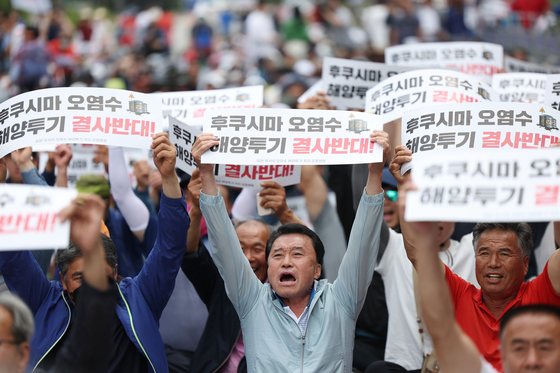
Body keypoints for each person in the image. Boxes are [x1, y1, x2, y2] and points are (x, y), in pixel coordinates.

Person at [191, 130, 390, 372]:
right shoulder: (252, 301)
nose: (286, 261)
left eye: (297, 253)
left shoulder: (341, 301)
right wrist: (206, 174)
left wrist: (375, 174)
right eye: (277, 255)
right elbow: (224, 244)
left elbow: (363, 244)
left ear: (317, 269)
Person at [0, 133, 189, 373]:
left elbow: (170, 247)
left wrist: (169, 177)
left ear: (116, 272)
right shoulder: (44, 301)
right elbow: (14, 260)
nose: (91, 285)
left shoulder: (140, 297)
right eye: (80, 277)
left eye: (98, 273)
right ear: (62, 278)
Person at [399, 179, 560, 373]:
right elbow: (417, 253)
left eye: (504, 253)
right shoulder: (460, 294)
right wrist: (404, 182)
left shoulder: (542, 293)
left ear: (526, 264)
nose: (493, 263)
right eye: (484, 253)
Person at [183, 168, 305, 373]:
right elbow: (189, 251)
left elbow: (310, 254)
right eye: (240, 249)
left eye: (257, 249)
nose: (248, 258)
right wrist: (195, 209)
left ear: (272, 255)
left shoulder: (290, 289)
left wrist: (285, 213)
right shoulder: (222, 286)